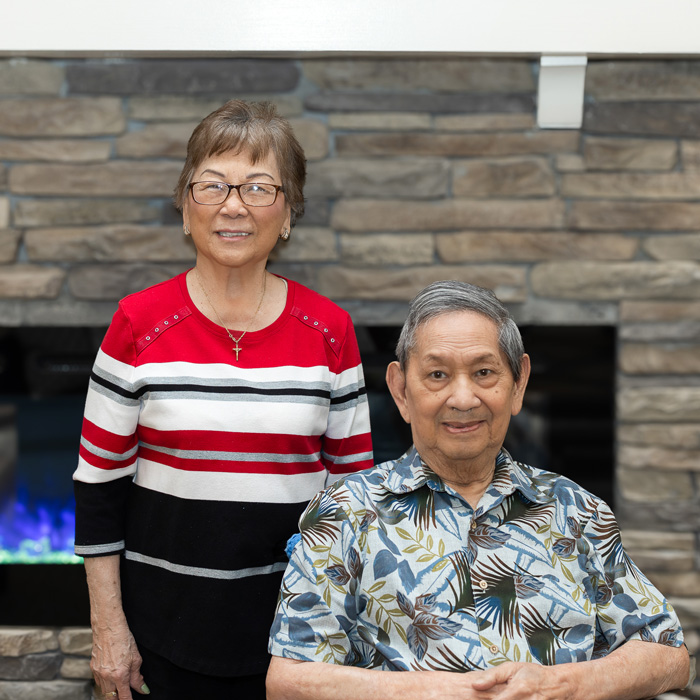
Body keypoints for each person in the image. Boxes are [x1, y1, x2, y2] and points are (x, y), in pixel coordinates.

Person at [72, 100, 373, 700]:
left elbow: (353, 497)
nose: (233, 204)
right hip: (161, 637)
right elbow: (98, 487)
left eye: (259, 187)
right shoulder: (138, 324)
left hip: (298, 639)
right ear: (186, 207)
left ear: (288, 214)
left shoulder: (330, 330)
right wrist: (109, 629)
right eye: (212, 185)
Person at [267, 280, 694, 700]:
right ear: (400, 389)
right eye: (437, 375)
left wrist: (562, 685)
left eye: (484, 372)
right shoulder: (344, 513)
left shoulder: (576, 510)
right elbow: (291, 680)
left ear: (518, 383)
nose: (463, 398)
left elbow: (668, 654)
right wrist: (444, 692)